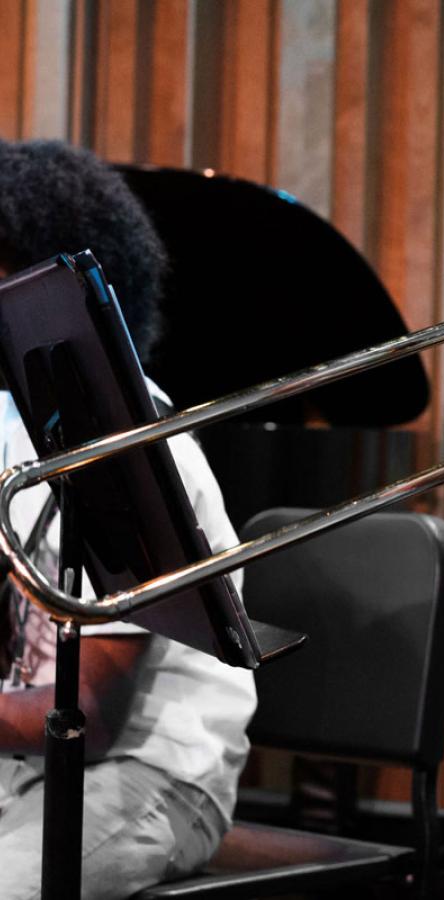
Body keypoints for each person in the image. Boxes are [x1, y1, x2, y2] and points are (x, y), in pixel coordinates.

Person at [0, 140, 257, 898]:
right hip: (22, 775)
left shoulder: (131, 440)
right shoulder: (8, 423)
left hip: (150, 776)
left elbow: (88, 716)